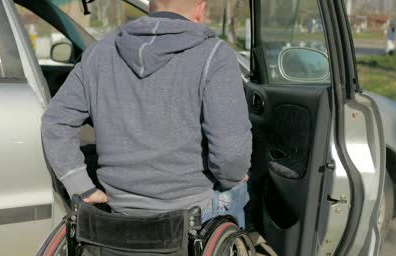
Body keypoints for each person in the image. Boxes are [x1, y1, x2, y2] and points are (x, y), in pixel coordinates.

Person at [41, 0, 252, 227]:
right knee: (238, 185)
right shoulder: (215, 56)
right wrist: (232, 177)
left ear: (151, 6)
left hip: (119, 206)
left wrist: (80, 185)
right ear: (201, 10)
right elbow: (231, 154)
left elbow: (56, 121)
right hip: (194, 208)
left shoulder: (97, 54)